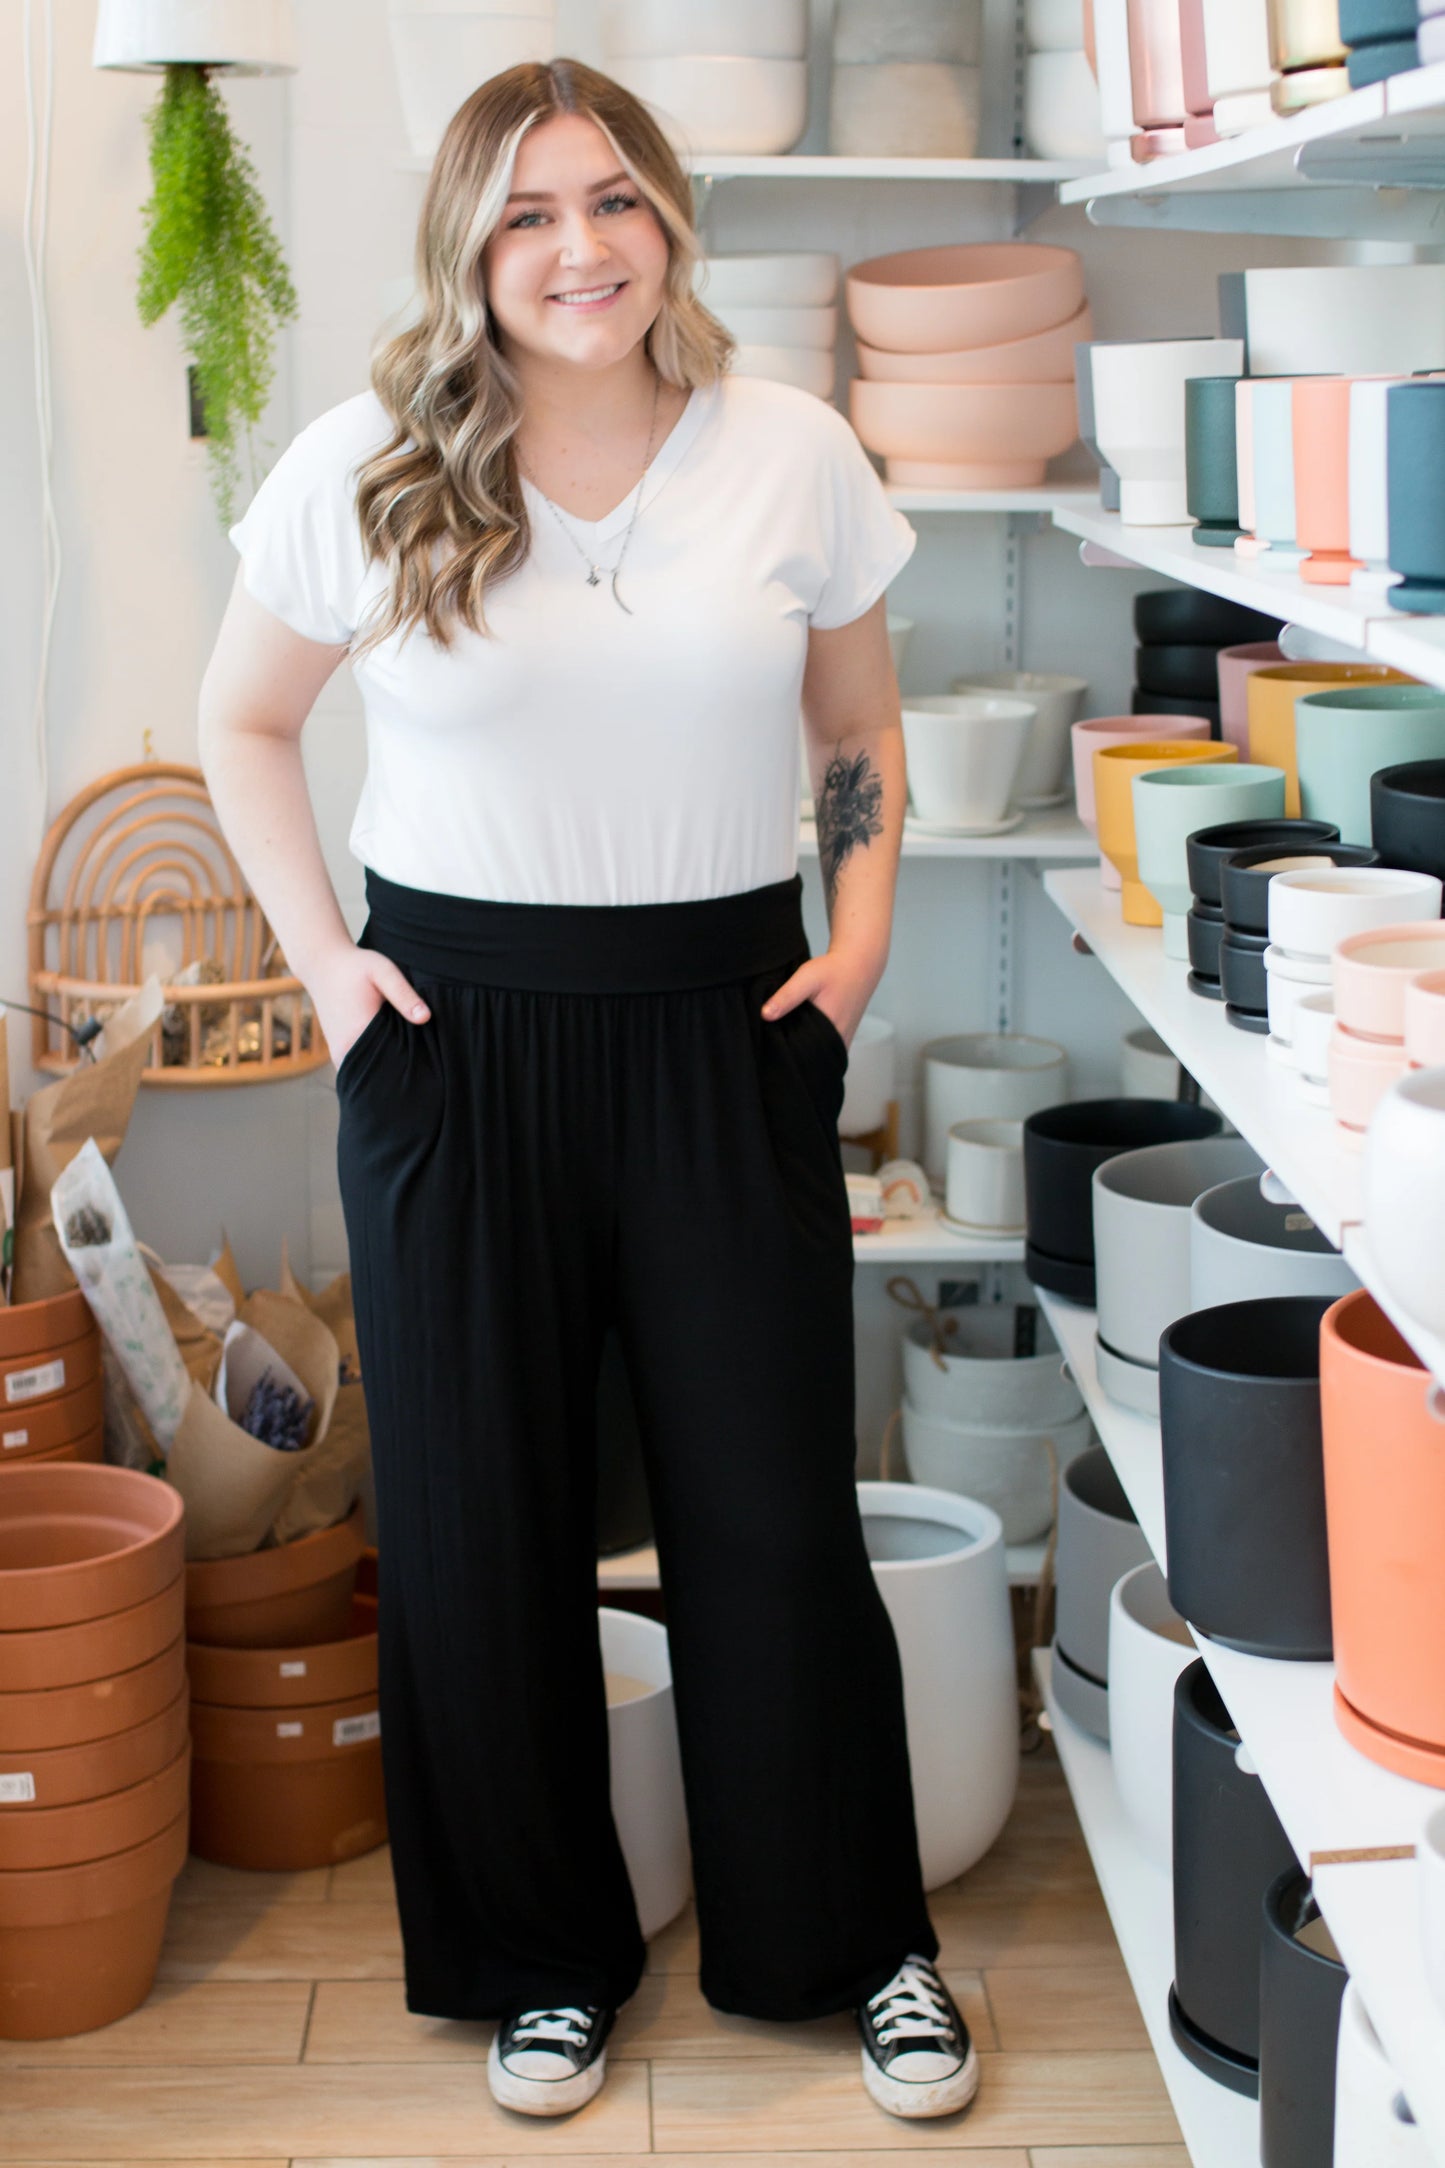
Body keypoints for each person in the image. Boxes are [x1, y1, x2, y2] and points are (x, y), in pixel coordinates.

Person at [198, 56, 977, 2127]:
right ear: (470, 241)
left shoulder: (788, 453)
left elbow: (859, 725)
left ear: (670, 223)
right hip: (453, 1039)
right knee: (479, 1529)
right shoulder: (371, 459)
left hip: (728, 1024)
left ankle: (851, 1944)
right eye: (532, 210)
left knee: (770, 1512)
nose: (580, 248)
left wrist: (864, 933)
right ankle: (541, 1957)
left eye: (616, 200)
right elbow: (244, 723)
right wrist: (333, 979)